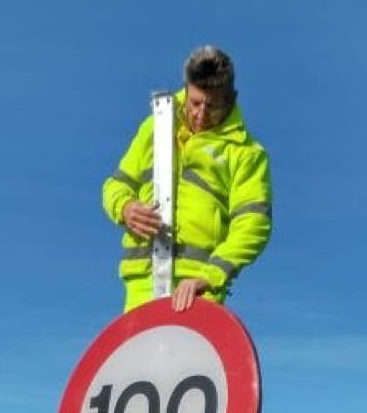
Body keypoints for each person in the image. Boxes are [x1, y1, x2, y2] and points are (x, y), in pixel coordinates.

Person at [102, 45, 273, 313]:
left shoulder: (247, 153)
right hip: (141, 281)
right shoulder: (156, 126)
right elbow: (115, 185)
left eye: (213, 106)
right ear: (186, 88)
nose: (201, 114)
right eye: (195, 103)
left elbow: (253, 225)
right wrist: (124, 208)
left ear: (232, 98)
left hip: (198, 288)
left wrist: (210, 276)